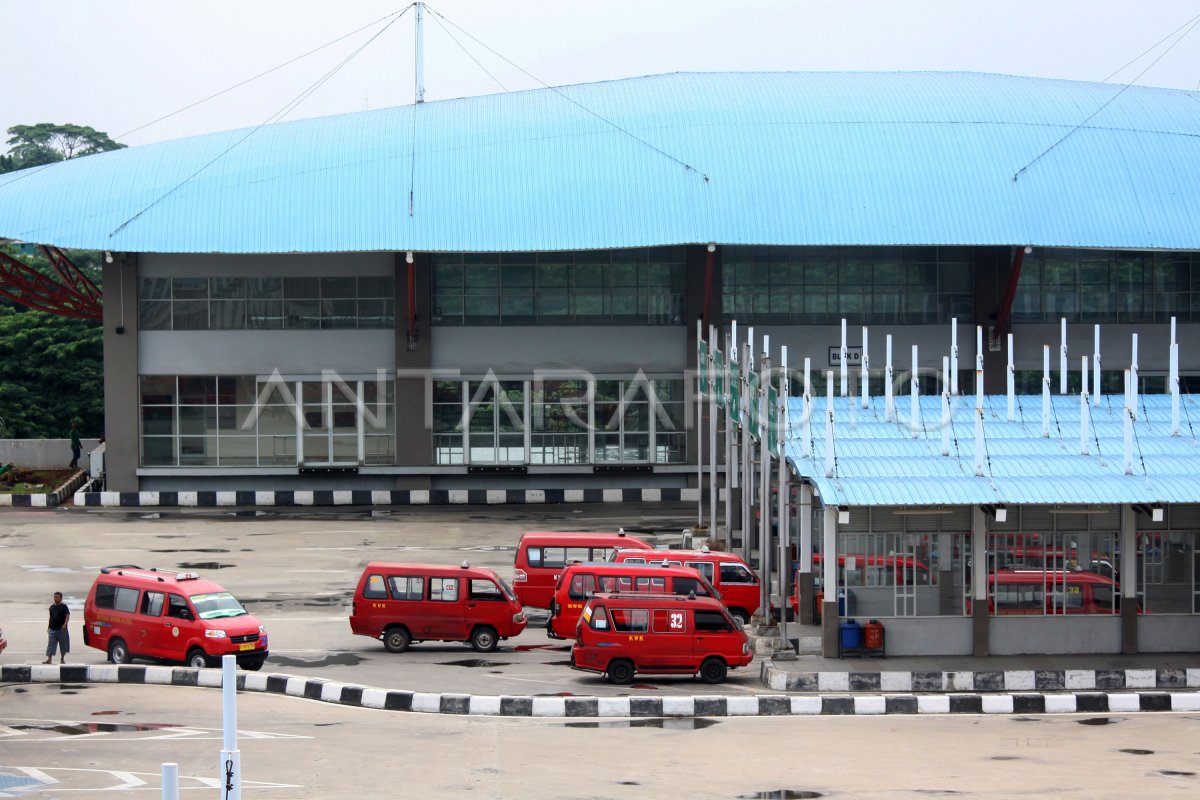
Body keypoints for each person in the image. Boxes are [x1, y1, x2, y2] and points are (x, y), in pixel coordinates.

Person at [44, 591, 70, 664]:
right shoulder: (52, 607)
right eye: (55, 597)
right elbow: (51, 618)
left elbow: (67, 615)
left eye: (57, 597)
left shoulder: (64, 607)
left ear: (61, 598)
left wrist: (65, 624)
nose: (56, 598)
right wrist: (48, 627)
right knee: (50, 645)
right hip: (52, 629)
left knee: (63, 645)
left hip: (62, 630)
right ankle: (49, 659)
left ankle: (62, 658)